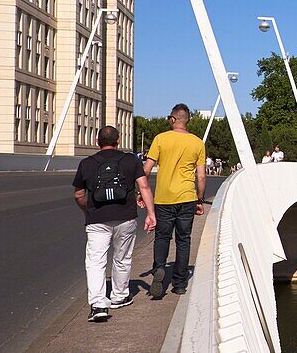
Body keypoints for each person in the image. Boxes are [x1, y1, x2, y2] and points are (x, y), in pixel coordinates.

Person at [72, 125, 156, 322]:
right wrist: (151, 213)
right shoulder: (130, 159)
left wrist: (88, 210)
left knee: (96, 261)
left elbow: (78, 194)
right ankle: (119, 296)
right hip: (126, 217)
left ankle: (99, 304)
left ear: (96, 142)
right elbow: (143, 185)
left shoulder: (86, 163)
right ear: (118, 141)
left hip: (97, 220)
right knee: (122, 258)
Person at [144, 104, 206, 299]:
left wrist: (141, 192)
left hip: (164, 198)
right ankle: (179, 283)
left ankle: (159, 269)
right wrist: (199, 199)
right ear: (187, 120)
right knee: (183, 240)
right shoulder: (197, 143)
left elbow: (146, 168)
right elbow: (202, 176)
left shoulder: (160, 139)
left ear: (172, 119)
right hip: (187, 197)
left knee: (162, 237)